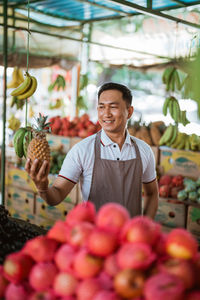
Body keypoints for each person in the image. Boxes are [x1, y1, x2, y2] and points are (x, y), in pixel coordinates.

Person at [25, 82, 158, 219]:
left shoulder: (144, 150)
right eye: (101, 107)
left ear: (129, 112)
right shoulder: (82, 150)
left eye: (113, 107)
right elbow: (56, 196)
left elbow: (152, 193)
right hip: (94, 236)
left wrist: (145, 225)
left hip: (130, 237)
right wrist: (43, 188)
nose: (106, 114)